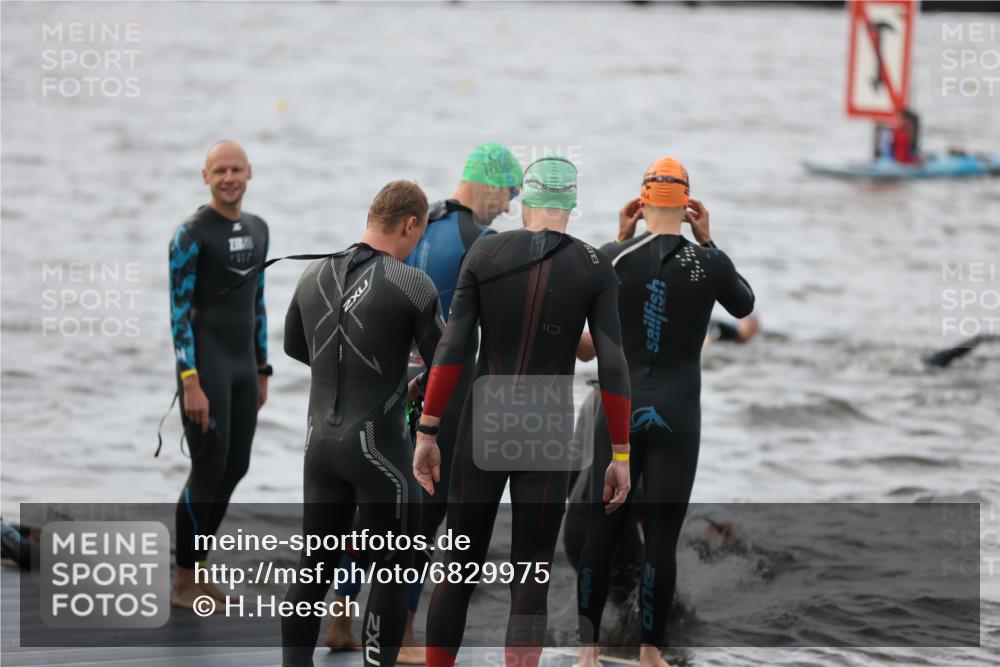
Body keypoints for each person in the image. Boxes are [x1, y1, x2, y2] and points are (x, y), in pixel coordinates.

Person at [412, 155, 633, 667]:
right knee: (531, 577)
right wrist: (619, 453)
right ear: (572, 206)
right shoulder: (594, 266)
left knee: (458, 568)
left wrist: (428, 430)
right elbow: (614, 364)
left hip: (483, 419)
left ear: (527, 201)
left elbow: (451, 349)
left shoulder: (487, 251)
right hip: (549, 426)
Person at [324, 142, 524, 663]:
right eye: (508, 193)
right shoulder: (485, 242)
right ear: (486, 184)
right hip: (442, 392)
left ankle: (342, 616)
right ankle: (405, 635)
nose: (508, 205)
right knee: (424, 515)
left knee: (373, 511)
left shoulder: (415, 222)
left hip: (387, 383)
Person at [574, 157, 755, 667]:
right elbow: (743, 306)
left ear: (643, 201)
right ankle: (651, 653)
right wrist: (710, 240)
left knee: (601, 533)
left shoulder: (610, 256)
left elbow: (583, 318)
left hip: (618, 411)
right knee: (662, 538)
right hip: (678, 414)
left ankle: (587, 653)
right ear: (690, 205)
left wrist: (618, 234)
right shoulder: (710, 263)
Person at [281, 180, 444, 667]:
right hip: (378, 449)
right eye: (417, 237)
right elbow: (448, 363)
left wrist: (348, 377)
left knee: (314, 564)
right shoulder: (413, 283)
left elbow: (294, 345)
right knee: (393, 571)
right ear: (410, 224)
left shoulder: (311, 273)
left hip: (319, 448)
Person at [168, 140, 270, 609]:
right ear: (204, 177)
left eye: (236, 169)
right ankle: (183, 580)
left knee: (236, 467)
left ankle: (199, 571)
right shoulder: (190, 234)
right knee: (207, 468)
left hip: (243, 369)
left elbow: (258, 301)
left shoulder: (258, 228)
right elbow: (179, 313)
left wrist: (263, 366)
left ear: (249, 172)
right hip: (205, 368)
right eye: (219, 171)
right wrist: (190, 380)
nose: (229, 177)